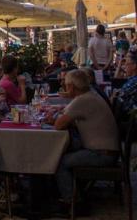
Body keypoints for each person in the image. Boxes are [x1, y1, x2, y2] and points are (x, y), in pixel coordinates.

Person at [46, 70, 120, 213]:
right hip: (108, 151)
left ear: (72, 87)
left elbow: (58, 125)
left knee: (58, 162)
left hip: (102, 154)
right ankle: (71, 193)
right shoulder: (90, 94)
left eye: (66, 85)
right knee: (68, 149)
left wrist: (54, 119)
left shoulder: (82, 100)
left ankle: (73, 203)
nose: (65, 87)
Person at [114, 48, 137, 120]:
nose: (124, 67)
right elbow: (116, 80)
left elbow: (116, 95)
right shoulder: (131, 79)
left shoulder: (134, 81)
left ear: (134, 66)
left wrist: (114, 95)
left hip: (128, 118)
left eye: (127, 64)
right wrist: (120, 63)